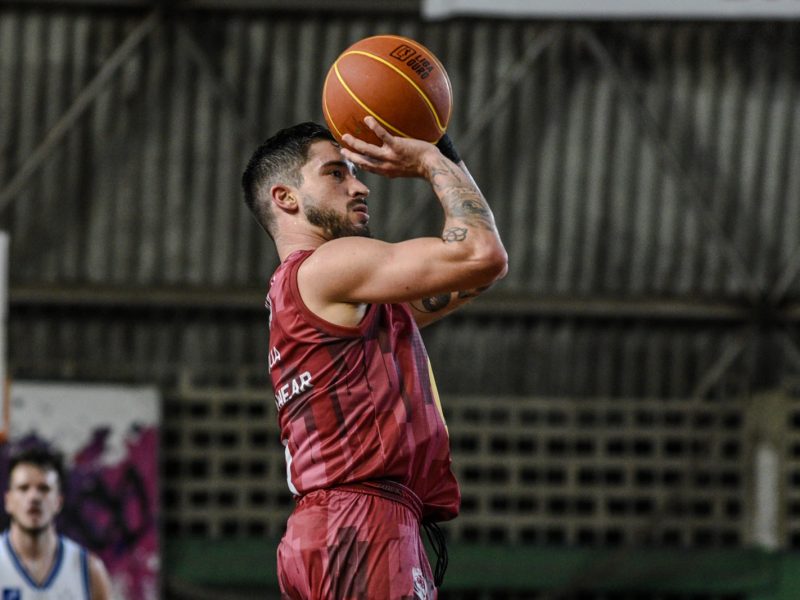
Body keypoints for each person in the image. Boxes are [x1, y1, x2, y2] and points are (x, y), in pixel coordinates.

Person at [242, 116, 508, 599]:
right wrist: (433, 158)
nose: (360, 186)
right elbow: (482, 253)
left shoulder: (330, 297)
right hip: (360, 522)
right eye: (336, 173)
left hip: (334, 524)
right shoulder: (328, 267)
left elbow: (477, 273)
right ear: (286, 198)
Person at [1, 446, 113, 599]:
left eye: (44, 489)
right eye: (23, 488)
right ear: (8, 501)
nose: (34, 497)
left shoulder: (88, 570)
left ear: (58, 501)